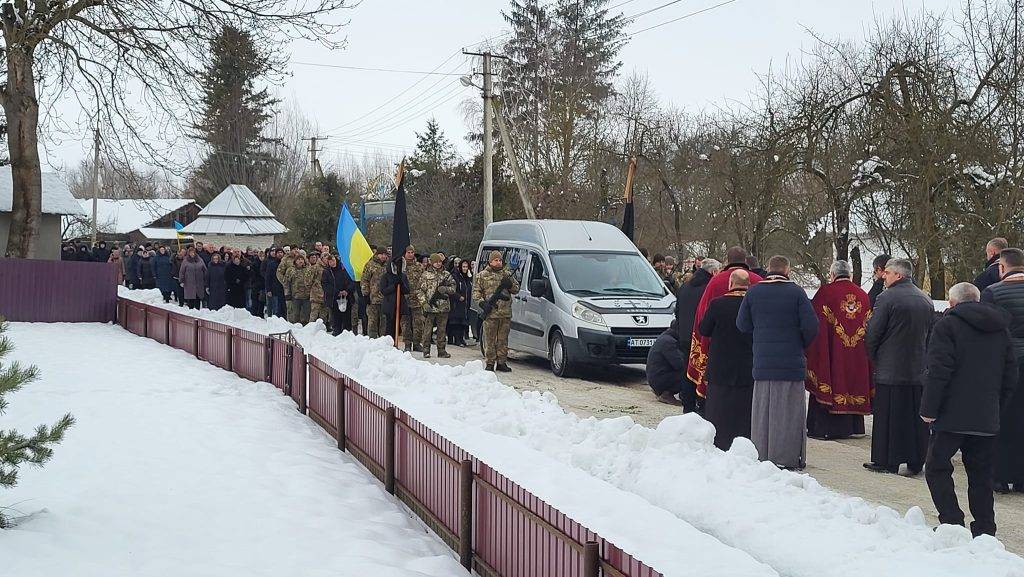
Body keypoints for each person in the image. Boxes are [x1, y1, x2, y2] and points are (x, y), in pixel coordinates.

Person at [922, 282, 1017, 537]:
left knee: (936, 467)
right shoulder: (1000, 329)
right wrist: (997, 405)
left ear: (952, 303)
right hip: (986, 415)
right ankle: (985, 527)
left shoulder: (947, 326)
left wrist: (929, 408)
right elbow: (1010, 374)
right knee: (981, 475)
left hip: (951, 414)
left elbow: (939, 371)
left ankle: (952, 521)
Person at [737, 255, 818, 469]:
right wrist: (799, 343)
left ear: (769, 269)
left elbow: (742, 324)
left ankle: (762, 453)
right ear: (787, 270)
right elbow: (811, 326)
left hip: (763, 361)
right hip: (791, 363)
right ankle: (787, 457)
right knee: (789, 413)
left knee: (763, 411)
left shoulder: (754, 292)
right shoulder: (797, 293)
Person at [864, 258, 935, 475]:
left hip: (891, 368)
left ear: (899, 275)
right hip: (917, 368)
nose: (883, 276)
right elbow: (930, 335)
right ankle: (916, 460)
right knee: (915, 417)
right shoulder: (925, 299)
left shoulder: (886, 298)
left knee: (889, 416)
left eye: (887, 273)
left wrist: (873, 355)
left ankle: (887, 460)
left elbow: (874, 332)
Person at [804, 261, 872, 440]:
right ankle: (853, 427)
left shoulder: (825, 293)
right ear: (849, 275)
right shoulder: (863, 296)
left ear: (832, 275)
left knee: (830, 376)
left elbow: (814, 326)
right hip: (857, 354)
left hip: (832, 352)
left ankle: (823, 427)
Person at [688, 247, 764, 401]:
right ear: (745, 261)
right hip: (751, 352)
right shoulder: (759, 282)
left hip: (720, 354)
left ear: (727, 261)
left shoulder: (715, 281)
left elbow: (702, 316)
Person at [982, 247, 1024, 493]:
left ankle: (999, 475)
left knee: (1002, 419)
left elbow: (989, 333)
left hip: (1007, 364)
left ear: (1001, 267)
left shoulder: (993, 293)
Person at [699, 269, 754, 450]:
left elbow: (704, 329)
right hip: (746, 365)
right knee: (743, 410)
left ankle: (719, 443)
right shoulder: (753, 305)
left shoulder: (717, 305)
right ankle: (743, 444)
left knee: (718, 410)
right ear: (748, 285)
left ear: (730, 284)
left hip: (720, 365)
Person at [674, 259, 722, 413]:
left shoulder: (685, 287)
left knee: (687, 371)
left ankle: (687, 406)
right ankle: (701, 405)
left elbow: (677, 311)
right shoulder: (709, 288)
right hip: (700, 336)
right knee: (701, 372)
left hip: (683, 336)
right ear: (714, 272)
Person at [473, 250, 520, 372]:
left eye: (500, 260)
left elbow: (516, 289)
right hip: (491, 314)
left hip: (504, 313)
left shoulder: (507, 274)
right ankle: (490, 363)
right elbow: (476, 293)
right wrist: (483, 304)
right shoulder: (482, 275)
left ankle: (501, 362)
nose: (498, 262)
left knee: (503, 340)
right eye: (496, 260)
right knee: (490, 340)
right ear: (490, 261)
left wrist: (509, 285)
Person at [419, 253, 456, 359]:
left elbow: (453, 288)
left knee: (442, 330)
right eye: (436, 262)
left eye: (440, 261)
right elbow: (420, 291)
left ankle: (442, 350)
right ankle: (426, 350)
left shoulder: (446, 275)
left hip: (443, 307)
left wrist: (446, 289)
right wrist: (424, 303)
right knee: (427, 331)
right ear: (431, 262)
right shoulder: (425, 275)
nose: (438, 264)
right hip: (430, 308)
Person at [646, 320, 688, 407]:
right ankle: (667, 393)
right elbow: (679, 364)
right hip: (660, 380)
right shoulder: (669, 342)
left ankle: (665, 391)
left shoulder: (665, 337)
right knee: (688, 372)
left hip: (656, 378)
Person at [323, 254, 356, 336]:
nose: (332, 263)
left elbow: (352, 281)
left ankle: (347, 331)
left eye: (333, 261)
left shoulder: (344, 270)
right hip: (334, 297)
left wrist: (347, 290)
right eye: (330, 261)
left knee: (347, 315)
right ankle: (336, 330)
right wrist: (337, 292)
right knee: (335, 315)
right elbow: (325, 284)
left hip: (347, 296)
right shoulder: (327, 271)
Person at [380, 255, 410, 341]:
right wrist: (394, 286)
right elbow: (383, 290)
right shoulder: (385, 276)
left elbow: (407, 290)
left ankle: (396, 341)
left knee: (398, 325)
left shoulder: (403, 276)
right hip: (389, 304)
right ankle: (389, 342)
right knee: (389, 325)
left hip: (400, 303)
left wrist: (402, 284)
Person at [361, 247, 389, 338]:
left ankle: (383, 339)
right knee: (372, 320)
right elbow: (364, 280)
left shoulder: (388, 265)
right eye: (382, 254)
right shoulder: (370, 265)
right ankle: (372, 339)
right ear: (377, 254)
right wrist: (366, 294)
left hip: (385, 298)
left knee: (384, 321)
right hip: (373, 298)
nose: (384, 256)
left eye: (385, 254)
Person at [402, 245, 426, 351]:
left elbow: (424, 281)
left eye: (412, 252)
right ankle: (407, 343)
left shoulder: (419, 267)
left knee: (418, 322)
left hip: (417, 299)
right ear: (405, 253)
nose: (410, 254)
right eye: (408, 252)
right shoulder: (401, 266)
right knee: (405, 323)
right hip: (405, 299)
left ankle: (417, 343)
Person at [448, 258, 474, 346]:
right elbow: (452, 290)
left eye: (466, 267)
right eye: (463, 266)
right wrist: (458, 296)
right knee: (456, 322)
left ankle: (461, 338)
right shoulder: (455, 276)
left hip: (466, 303)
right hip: (457, 303)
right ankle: (457, 339)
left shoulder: (468, 277)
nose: (465, 268)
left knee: (463, 322)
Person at [284, 255, 315, 324]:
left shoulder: (308, 269)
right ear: (295, 261)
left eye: (302, 259)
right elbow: (286, 283)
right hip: (295, 296)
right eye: (298, 259)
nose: (300, 261)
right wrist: (287, 294)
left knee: (306, 314)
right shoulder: (291, 270)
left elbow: (313, 281)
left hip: (307, 295)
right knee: (295, 314)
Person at [265, 248, 285, 318]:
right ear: (276, 254)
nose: (280, 254)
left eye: (281, 252)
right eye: (278, 253)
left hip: (284, 290)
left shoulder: (286, 264)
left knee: (284, 309)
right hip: (274, 289)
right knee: (276, 309)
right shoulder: (271, 264)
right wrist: (268, 290)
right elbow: (268, 278)